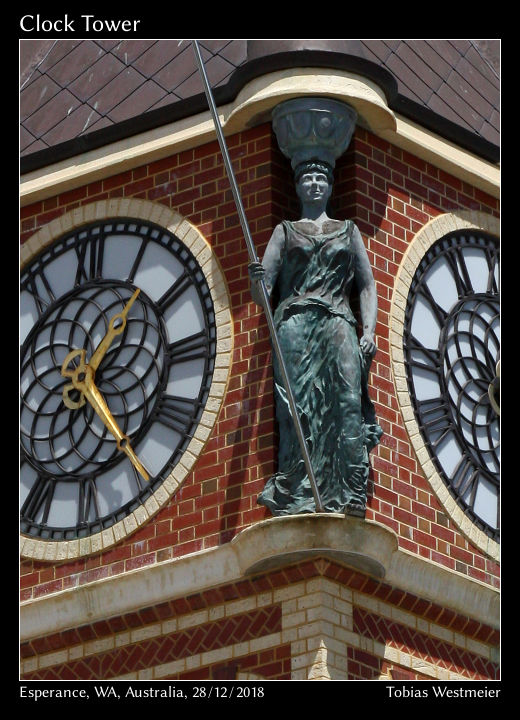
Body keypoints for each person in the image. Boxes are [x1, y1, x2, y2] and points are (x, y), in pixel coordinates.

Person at [249, 160, 382, 516]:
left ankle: (351, 490)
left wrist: (369, 331)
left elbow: (367, 286)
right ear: (296, 186)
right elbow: (264, 292)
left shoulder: (348, 230)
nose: (314, 183)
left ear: (331, 185)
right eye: (307, 177)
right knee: (296, 407)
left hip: (338, 319)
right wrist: (256, 281)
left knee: (346, 401)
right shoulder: (285, 230)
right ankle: (295, 489)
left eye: (321, 177)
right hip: (294, 322)